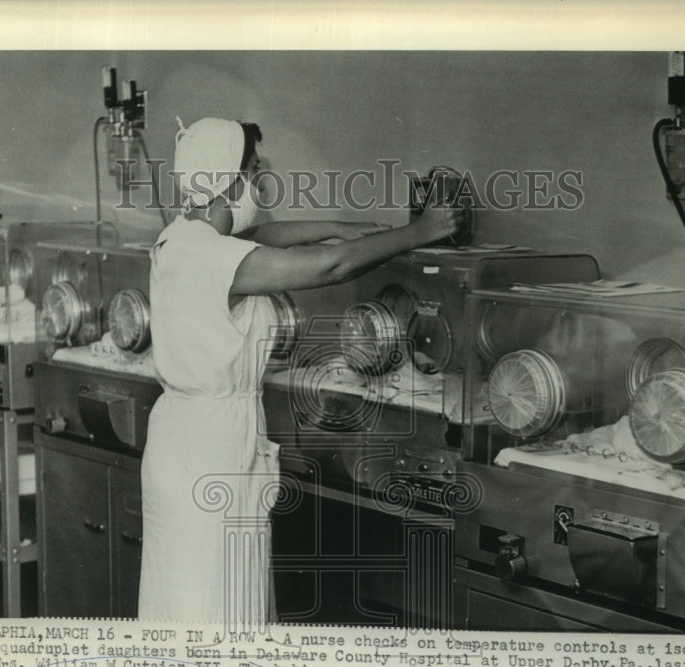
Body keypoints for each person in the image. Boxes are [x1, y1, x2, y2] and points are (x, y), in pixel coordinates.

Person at [139, 116, 462, 626]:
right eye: (252, 170)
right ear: (227, 179)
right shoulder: (217, 259)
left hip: (183, 441)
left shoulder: (181, 238)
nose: (258, 182)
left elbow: (263, 233)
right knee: (215, 607)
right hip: (211, 449)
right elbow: (329, 269)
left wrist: (336, 227)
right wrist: (417, 233)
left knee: (191, 601)